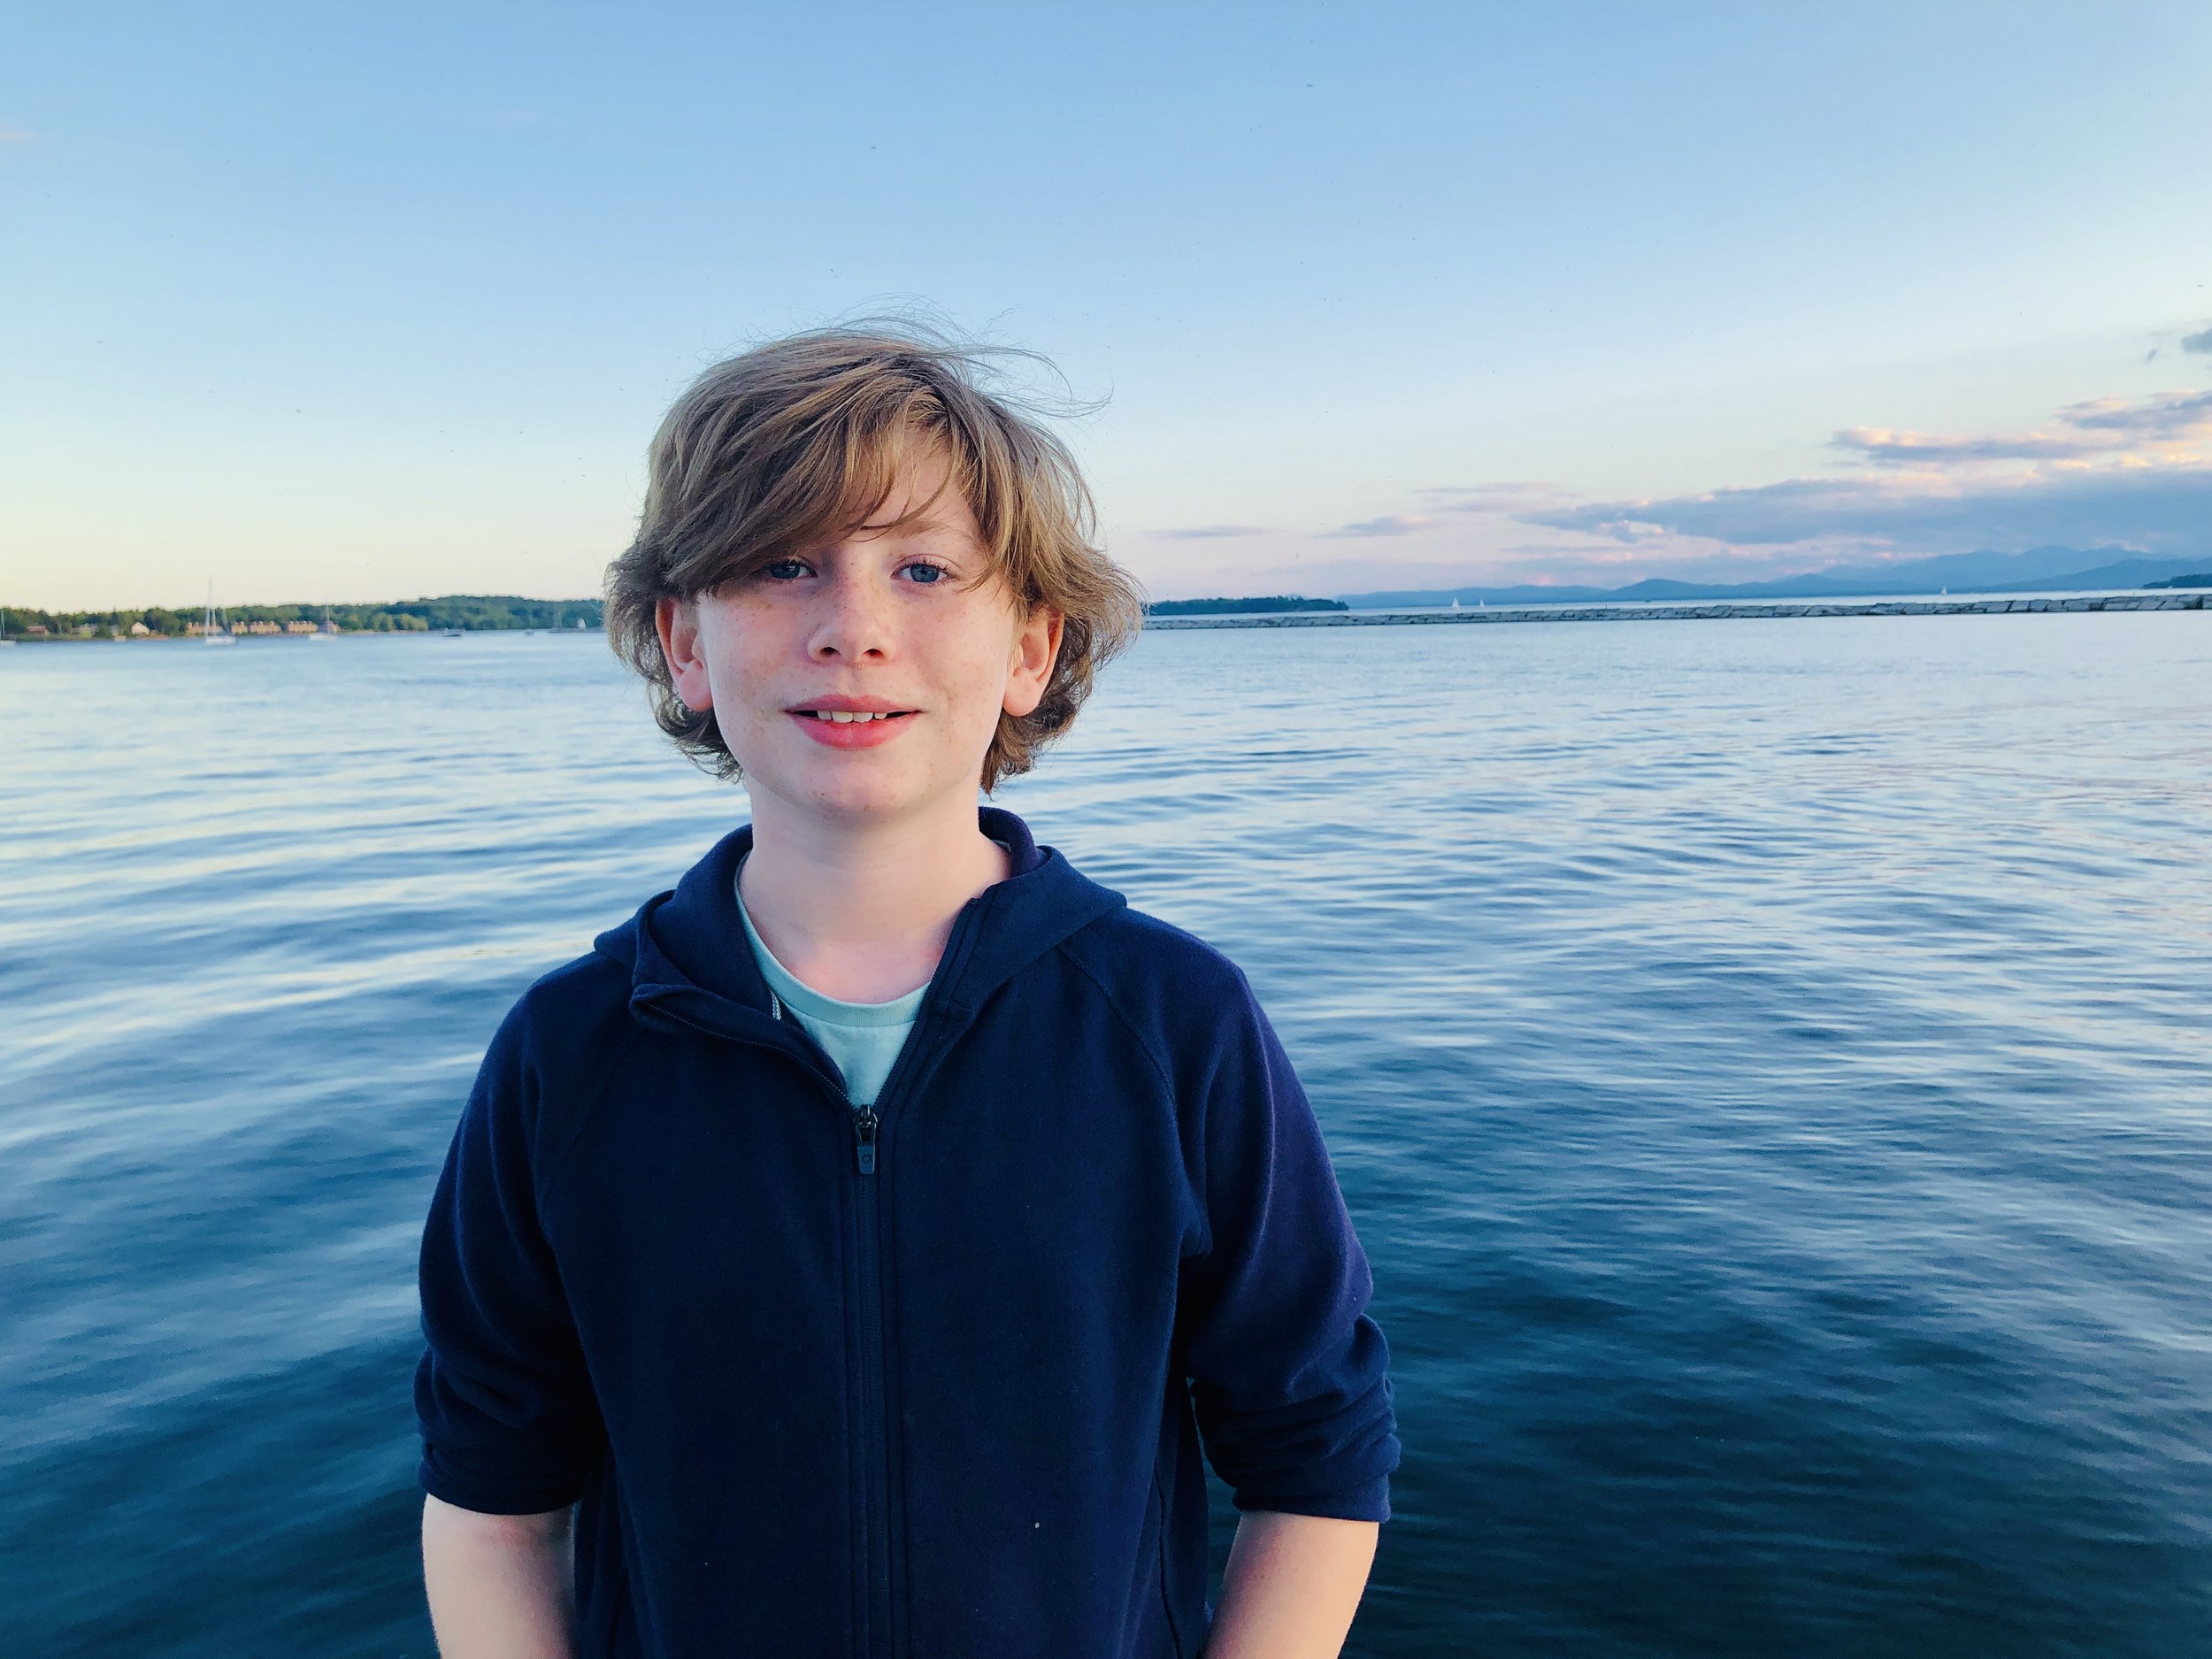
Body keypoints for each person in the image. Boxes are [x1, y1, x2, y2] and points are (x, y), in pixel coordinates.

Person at [413, 325, 1400, 1658]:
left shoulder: (1174, 1026)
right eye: (784, 565)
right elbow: (493, 1502)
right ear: (684, 644)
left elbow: (1316, 1458)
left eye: (924, 569)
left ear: (1033, 648)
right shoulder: (570, 1054)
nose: (854, 629)